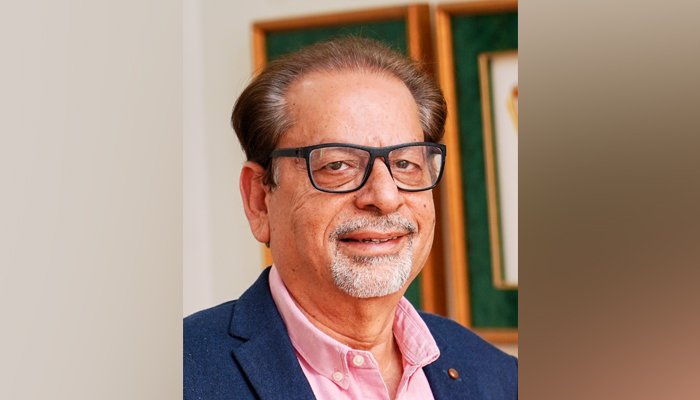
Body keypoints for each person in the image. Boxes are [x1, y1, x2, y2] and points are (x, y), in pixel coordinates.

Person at [184, 37, 517, 400]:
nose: (385, 197)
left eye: (406, 164)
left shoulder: (500, 378)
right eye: (337, 165)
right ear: (259, 200)